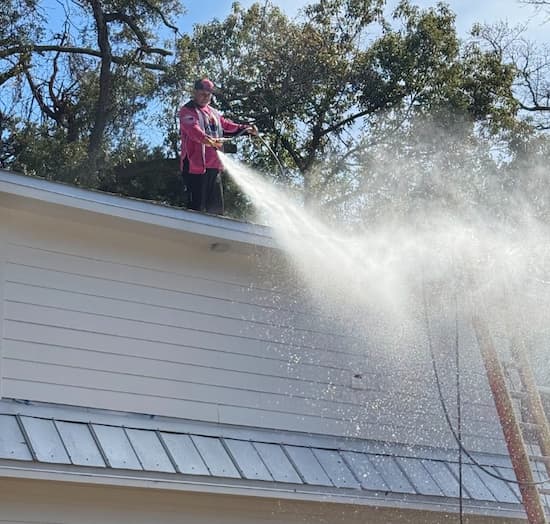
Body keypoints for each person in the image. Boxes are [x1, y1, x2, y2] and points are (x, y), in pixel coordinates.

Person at [179, 78, 257, 215]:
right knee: (196, 210)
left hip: (214, 168)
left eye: (208, 95)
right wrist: (208, 140)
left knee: (216, 212)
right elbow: (193, 130)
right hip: (194, 169)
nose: (205, 97)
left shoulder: (214, 113)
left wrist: (246, 129)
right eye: (202, 94)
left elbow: (226, 126)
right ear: (195, 92)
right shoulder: (187, 111)